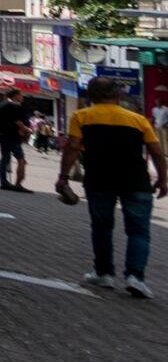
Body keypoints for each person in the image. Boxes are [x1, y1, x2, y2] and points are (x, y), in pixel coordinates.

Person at [56, 80, 165, 295]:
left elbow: (73, 147)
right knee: (139, 231)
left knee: (102, 227)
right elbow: (157, 152)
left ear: (91, 96)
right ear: (118, 96)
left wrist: (63, 176)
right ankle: (135, 277)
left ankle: (104, 273)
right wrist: (163, 179)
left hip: (99, 180)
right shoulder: (138, 120)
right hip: (137, 181)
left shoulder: (82, 116)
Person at [0, 94, 33, 192]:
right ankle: (18, 184)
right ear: (16, 96)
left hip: (2, 135)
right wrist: (26, 130)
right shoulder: (16, 107)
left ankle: (3, 182)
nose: (22, 97)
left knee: (5, 158)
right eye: (20, 95)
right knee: (21, 160)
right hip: (13, 136)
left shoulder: (0, 106)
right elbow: (18, 122)